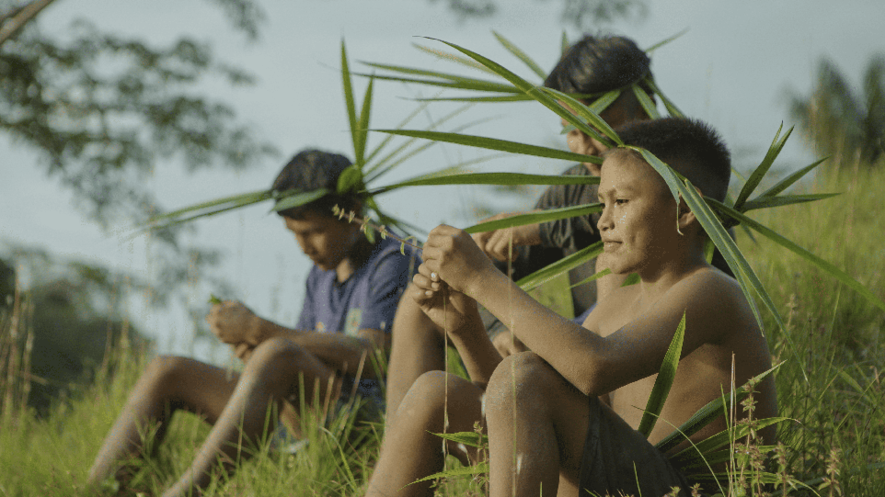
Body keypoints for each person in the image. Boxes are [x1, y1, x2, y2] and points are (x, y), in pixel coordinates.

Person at [364, 117, 778, 497]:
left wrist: (481, 280)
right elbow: (518, 411)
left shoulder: (711, 292)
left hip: (684, 489)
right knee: (436, 392)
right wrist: (465, 327)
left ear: (685, 210)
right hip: (614, 482)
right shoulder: (615, 304)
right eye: (602, 203)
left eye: (621, 202)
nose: (603, 221)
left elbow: (593, 368)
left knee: (525, 373)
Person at [87, 149, 419, 497]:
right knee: (167, 369)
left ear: (352, 213)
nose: (304, 246)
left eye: (314, 231)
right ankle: (95, 492)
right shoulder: (319, 276)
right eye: (294, 233)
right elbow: (303, 356)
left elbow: (378, 356)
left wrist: (261, 333)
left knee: (277, 352)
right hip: (304, 419)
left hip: (368, 425)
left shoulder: (391, 260)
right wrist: (254, 353)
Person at [384, 34, 656, 423]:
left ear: (642, 108)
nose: (580, 145)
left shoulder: (680, 180)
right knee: (422, 301)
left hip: (612, 369)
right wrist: (497, 324)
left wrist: (539, 227)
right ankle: (402, 441)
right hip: (563, 358)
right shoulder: (574, 185)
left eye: (592, 126)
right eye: (570, 130)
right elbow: (496, 264)